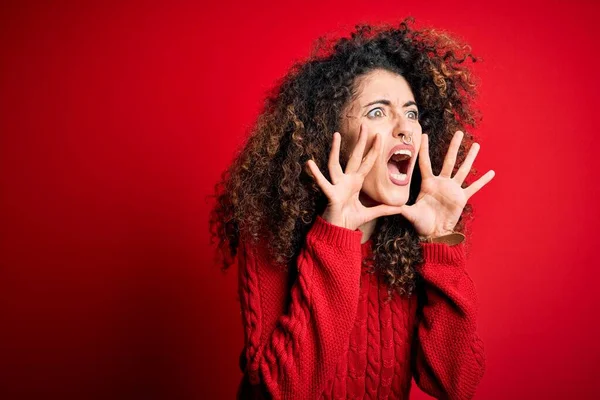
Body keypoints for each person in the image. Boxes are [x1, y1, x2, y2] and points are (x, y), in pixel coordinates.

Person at [209, 16, 495, 400]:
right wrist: (336, 234)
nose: (405, 127)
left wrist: (441, 242)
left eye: (411, 113)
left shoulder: (408, 241)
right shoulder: (270, 232)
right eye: (378, 112)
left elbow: (455, 384)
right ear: (331, 133)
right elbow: (285, 391)